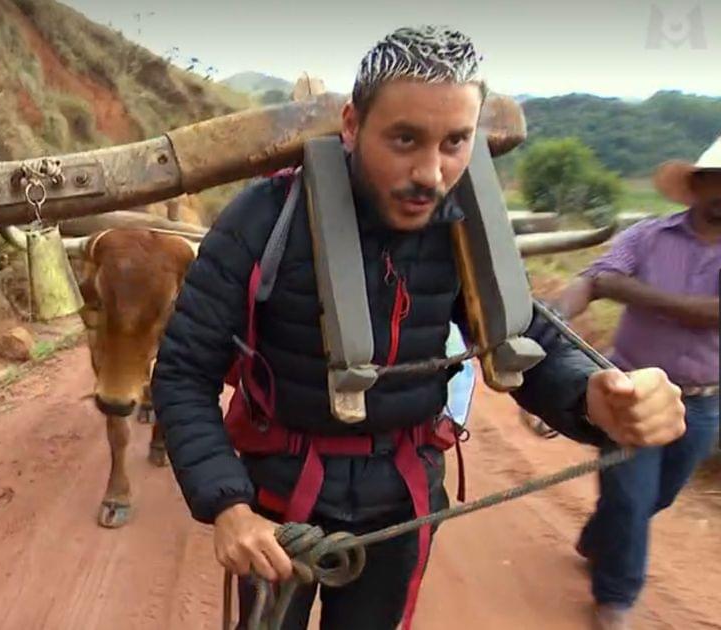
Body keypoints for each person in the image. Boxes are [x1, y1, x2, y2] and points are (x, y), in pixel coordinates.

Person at [150, 25, 687, 630]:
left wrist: (596, 396)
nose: (431, 173)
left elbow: (523, 336)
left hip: (403, 502)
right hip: (279, 501)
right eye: (405, 139)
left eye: (455, 142)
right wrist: (229, 506)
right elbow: (183, 371)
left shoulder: (463, 227)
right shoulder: (263, 219)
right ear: (352, 124)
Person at [551, 135, 721, 629]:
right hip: (629, 389)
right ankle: (616, 599)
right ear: (698, 184)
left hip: (701, 403)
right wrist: (551, 316)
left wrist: (628, 291)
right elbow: (593, 279)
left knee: (657, 497)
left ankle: (597, 538)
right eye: (718, 181)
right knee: (631, 498)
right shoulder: (648, 236)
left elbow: (712, 313)